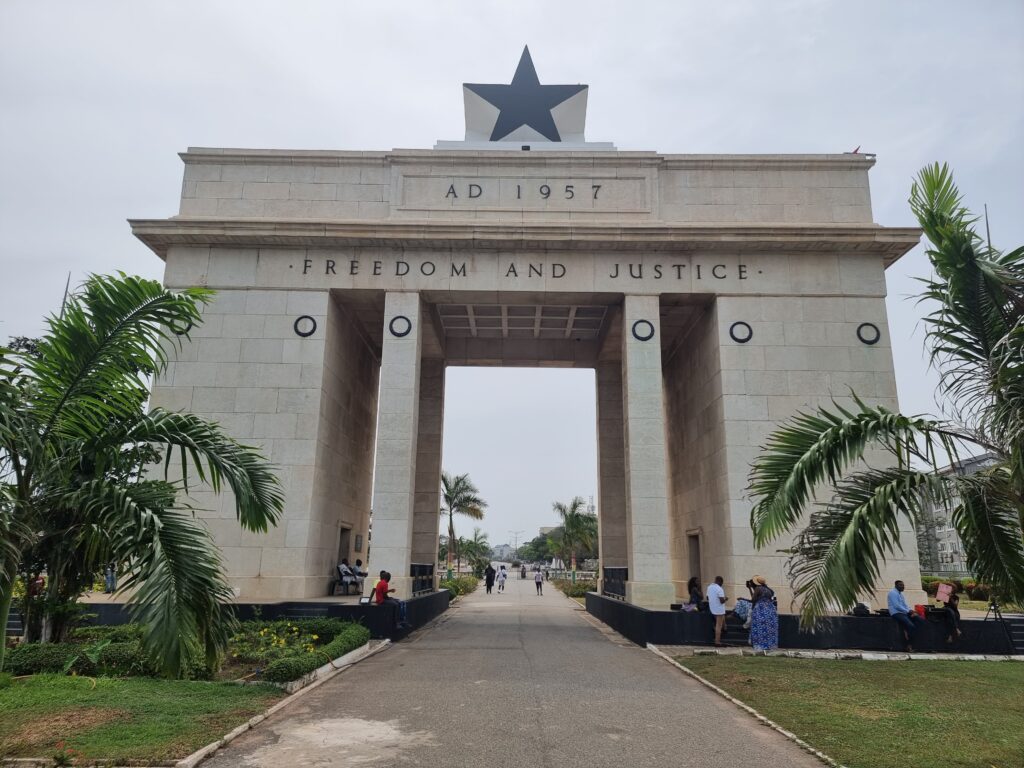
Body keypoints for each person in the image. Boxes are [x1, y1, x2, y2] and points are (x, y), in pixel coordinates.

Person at [887, 579, 924, 650]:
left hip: (904, 612)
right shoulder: (892, 593)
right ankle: (909, 644)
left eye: (903, 585)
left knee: (920, 620)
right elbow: (897, 606)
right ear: (896, 586)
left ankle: (909, 633)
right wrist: (908, 611)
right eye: (901, 585)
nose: (903, 587)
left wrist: (912, 611)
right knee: (911, 626)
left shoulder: (900, 594)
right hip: (896, 613)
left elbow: (905, 605)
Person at [747, 575, 779, 652]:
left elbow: (753, 600)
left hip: (760, 610)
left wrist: (750, 589)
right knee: (769, 629)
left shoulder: (758, 588)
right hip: (770, 610)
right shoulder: (769, 590)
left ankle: (760, 645)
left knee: (759, 628)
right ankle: (770, 645)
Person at [707, 576, 727, 646]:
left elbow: (707, 597)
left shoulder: (709, 587)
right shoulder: (719, 589)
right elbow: (722, 601)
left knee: (722, 619)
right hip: (719, 609)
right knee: (718, 626)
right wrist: (726, 599)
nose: (722, 585)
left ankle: (725, 627)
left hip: (712, 608)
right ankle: (717, 641)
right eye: (722, 583)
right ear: (720, 582)